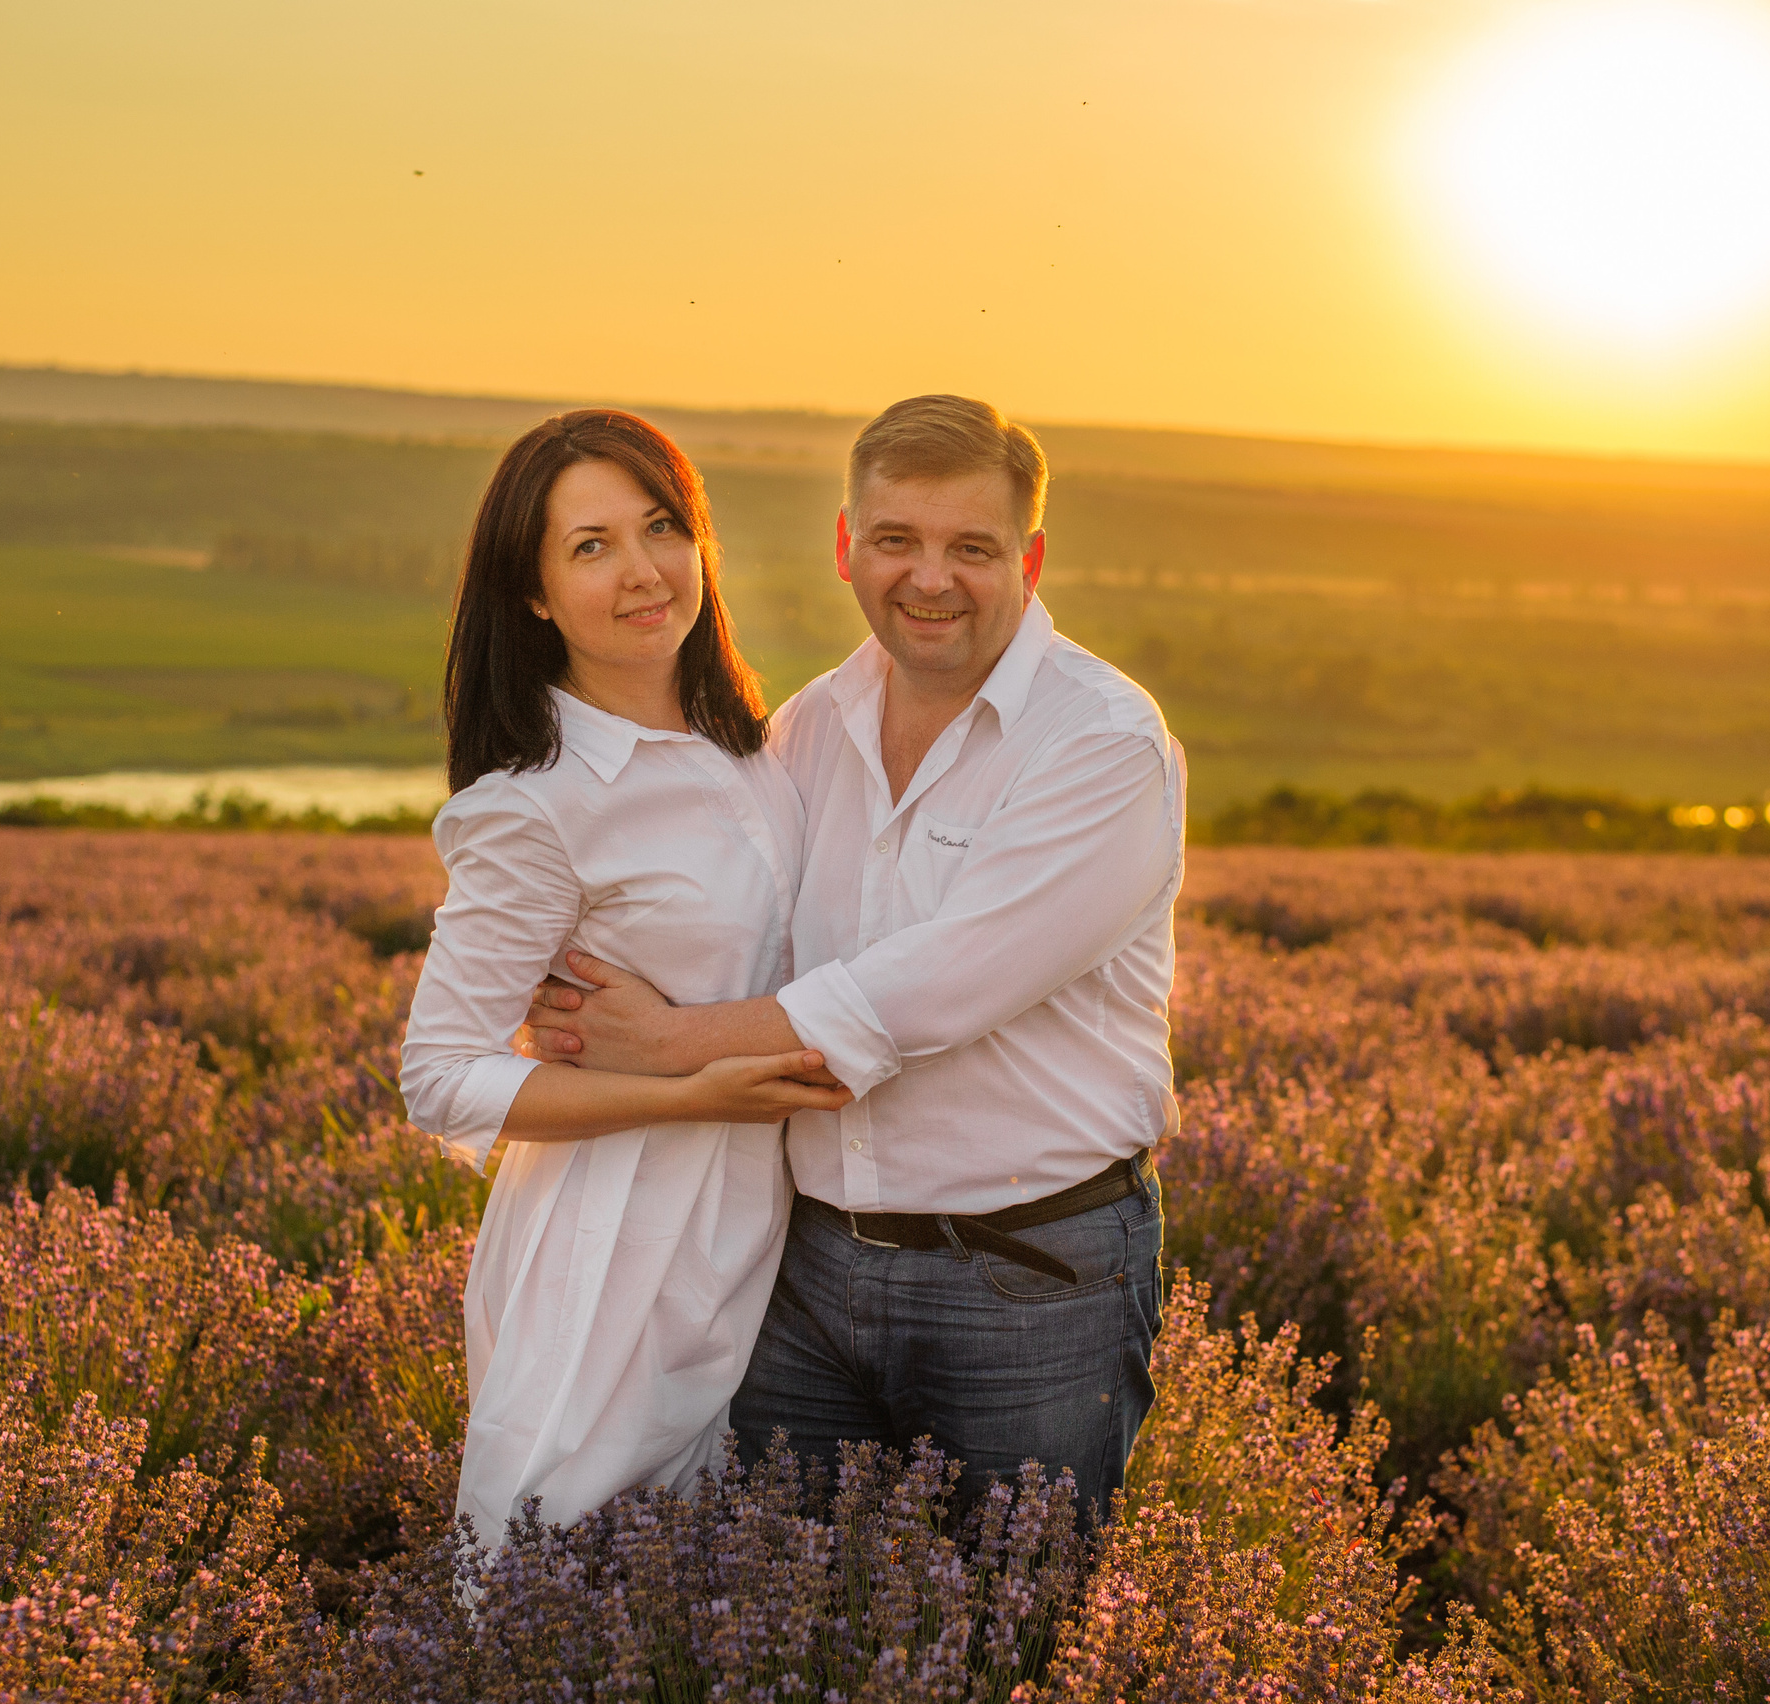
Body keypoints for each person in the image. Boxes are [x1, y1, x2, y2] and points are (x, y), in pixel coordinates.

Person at [523, 394, 1186, 1527]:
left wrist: (666, 1041)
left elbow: (936, 988)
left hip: (1027, 1277)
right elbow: (737, 931)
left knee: (1012, 1613)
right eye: (895, 540)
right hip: (803, 1272)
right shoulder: (809, 728)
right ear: (845, 545)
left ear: (1028, 560)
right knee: (781, 1602)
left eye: (971, 548)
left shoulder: (1101, 741)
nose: (930, 579)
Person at [397, 408, 850, 1546]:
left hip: (770, 1241)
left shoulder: (751, 750)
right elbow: (439, 1077)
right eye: (591, 546)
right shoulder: (534, 804)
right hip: (611, 1246)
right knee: (545, 1569)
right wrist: (687, 1093)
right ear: (534, 593)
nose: (643, 571)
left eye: (661, 528)